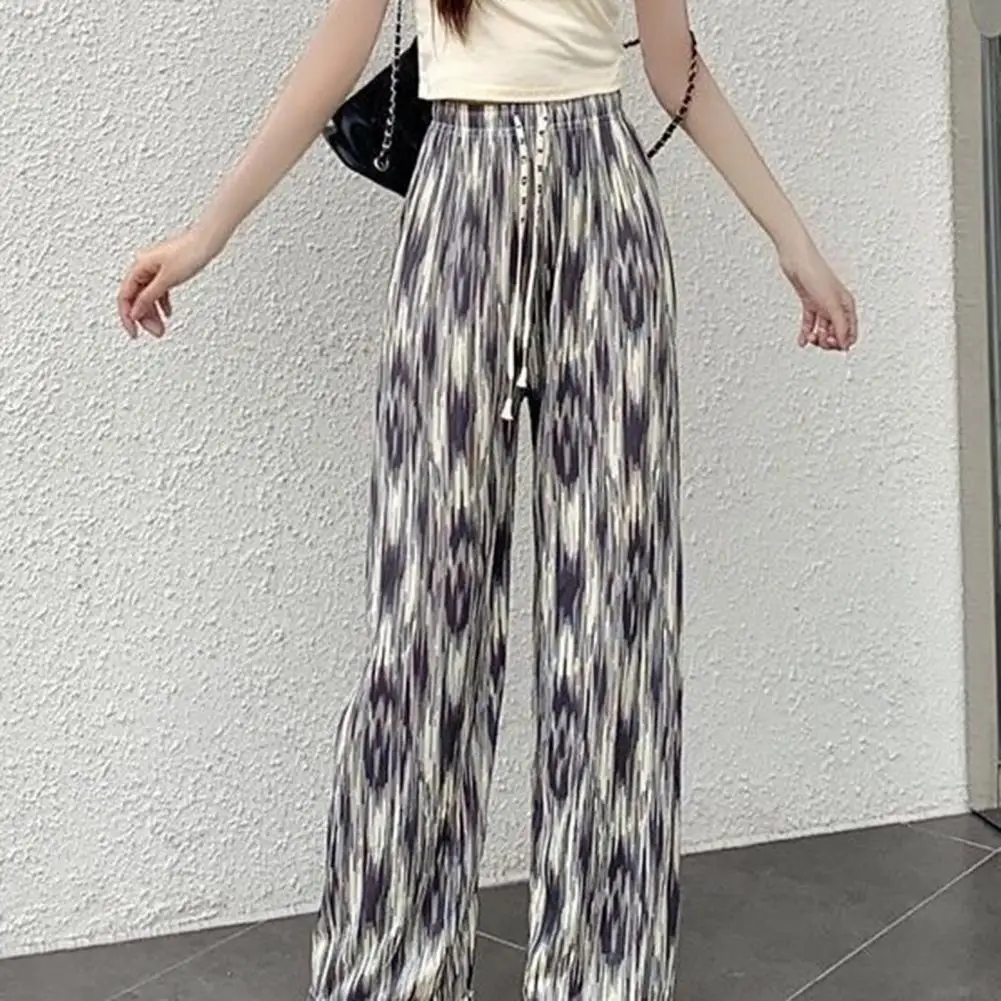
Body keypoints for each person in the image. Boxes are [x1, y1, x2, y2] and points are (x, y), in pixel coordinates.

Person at [117, 0, 858, 999]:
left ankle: (603, 971)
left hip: (607, 213)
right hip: (456, 204)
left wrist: (791, 240)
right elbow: (336, 54)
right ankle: (390, 972)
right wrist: (208, 233)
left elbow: (672, 66)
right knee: (423, 616)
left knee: (615, 619)